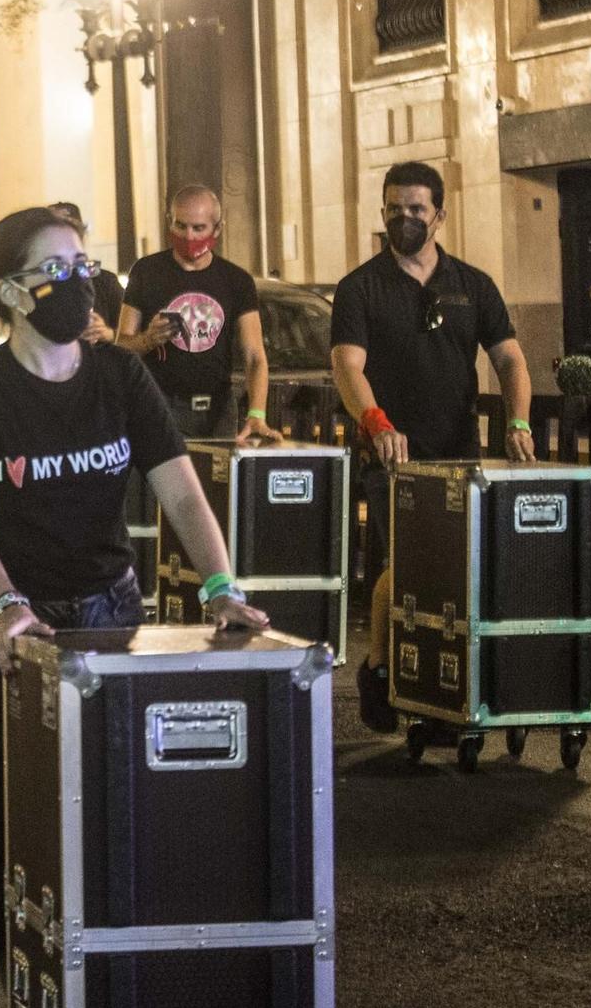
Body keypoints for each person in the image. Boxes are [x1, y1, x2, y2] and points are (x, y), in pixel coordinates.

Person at [0, 207, 270, 977]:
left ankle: (107, 1005)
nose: (84, 282)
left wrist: (221, 585)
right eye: (61, 269)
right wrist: (9, 606)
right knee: (18, 828)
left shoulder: (121, 374)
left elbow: (182, 495)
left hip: (109, 618)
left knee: (114, 818)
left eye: (86, 263)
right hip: (6, 632)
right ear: (15, 293)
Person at [330, 161, 536, 732]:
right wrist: (375, 421)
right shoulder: (360, 288)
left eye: (417, 210)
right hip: (393, 455)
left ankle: (442, 681)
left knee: (456, 571)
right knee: (405, 562)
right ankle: (378, 667)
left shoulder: (473, 286)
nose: (405, 219)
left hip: (460, 452)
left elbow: (511, 360)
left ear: (440, 215)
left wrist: (518, 421)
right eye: (395, 209)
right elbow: (348, 366)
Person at [116, 185, 279, 443]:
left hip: (218, 410)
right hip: (159, 405)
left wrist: (257, 414)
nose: (189, 236)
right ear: (170, 222)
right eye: (181, 226)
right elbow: (122, 346)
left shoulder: (236, 280)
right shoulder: (147, 272)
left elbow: (255, 355)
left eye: (198, 228)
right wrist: (148, 339)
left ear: (218, 228)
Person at [46, 201, 125, 341]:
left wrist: (108, 334)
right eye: (57, 234)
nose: (67, 240)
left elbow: (133, 336)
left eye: (74, 233)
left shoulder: (104, 280)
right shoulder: (39, 282)